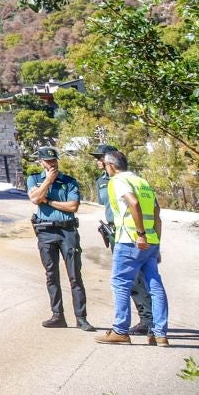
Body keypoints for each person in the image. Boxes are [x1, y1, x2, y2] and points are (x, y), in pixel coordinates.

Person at [95, 148, 170, 346]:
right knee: (155, 286)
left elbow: (133, 203)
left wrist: (141, 234)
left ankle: (120, 330)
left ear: (110, 166)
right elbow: (156, 212)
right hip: (151, 242)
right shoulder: (141, 181)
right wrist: (155, 242)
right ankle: (160, 333)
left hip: (130, 239)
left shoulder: (118, 181)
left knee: (120, 283)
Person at [27, 146, 95, 330]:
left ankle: (81, 318)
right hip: (46, 231)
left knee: (75, 276)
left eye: (54, 160)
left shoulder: (69, 181)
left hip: (67, 231)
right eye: (48, 161)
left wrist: (48, 201)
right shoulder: (34, 179)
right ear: (41, 162)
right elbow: (34, 198)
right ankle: (57, 315)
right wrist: (48, 181)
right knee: (51, 275)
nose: (52, 164)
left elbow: (73, 206)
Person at [92, 143, 152, 336]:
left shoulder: (125, 180)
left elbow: (136, 204)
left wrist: (141, 233)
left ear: (109, 160)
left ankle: (145, 321)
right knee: (132, 280)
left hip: (130, 232)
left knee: (134, 278)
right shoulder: (103, 180)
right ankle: (150, 322)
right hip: (115, 231)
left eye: (100, 157)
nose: (97, 161)